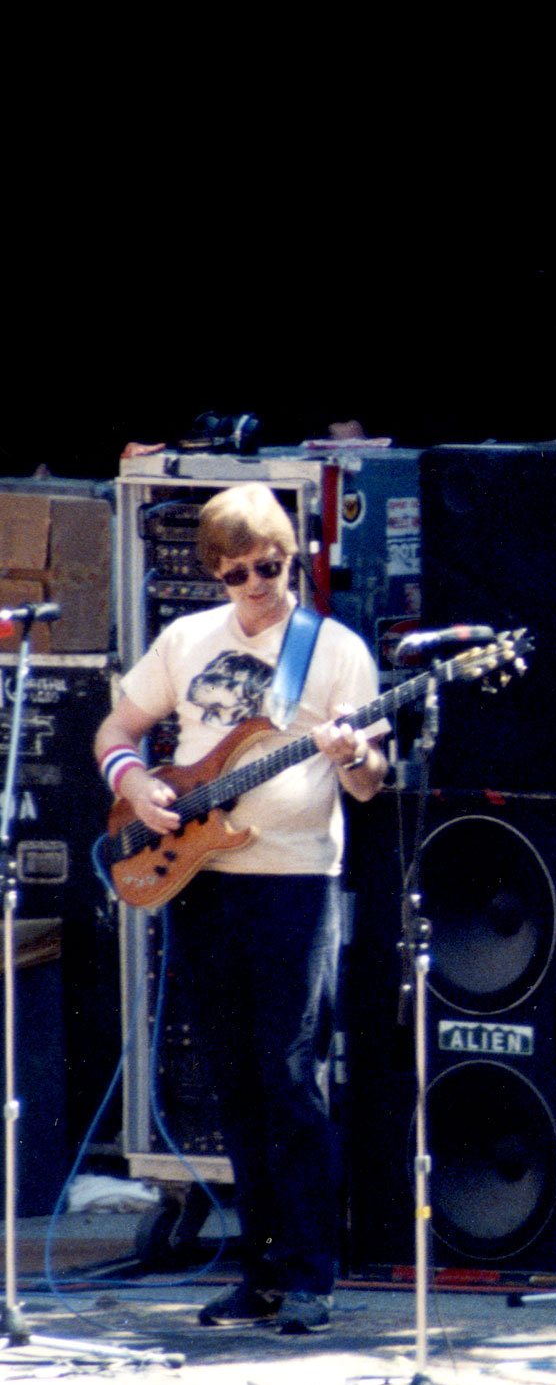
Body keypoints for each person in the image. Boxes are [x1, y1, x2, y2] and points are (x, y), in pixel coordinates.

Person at [94, 485, 384, 1334]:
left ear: (292, 560)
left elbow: (370, 785)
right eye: (239, 574)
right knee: (234, 1081)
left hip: (294, 880)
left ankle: (309, 1277)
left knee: (290, 1076)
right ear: (214, 574)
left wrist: (353, 752)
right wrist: (135, 784)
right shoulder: (186, 640)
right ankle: (257, 1273)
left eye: (272, 567)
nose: (259, 586)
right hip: (200, 876)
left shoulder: (335, 651)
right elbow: (115, 729)